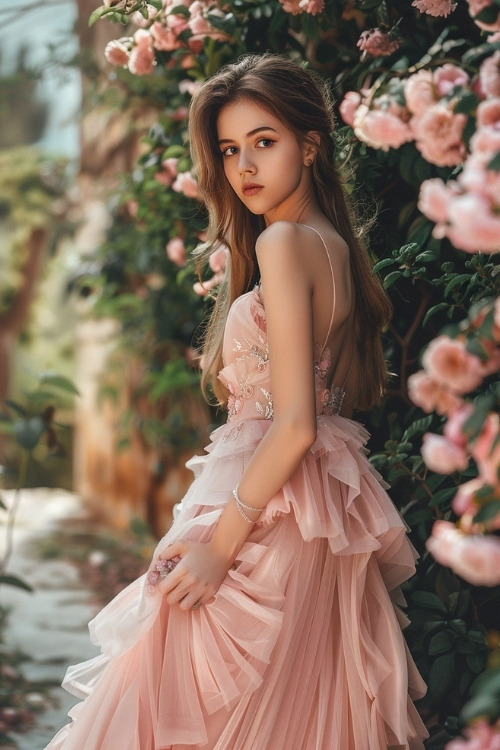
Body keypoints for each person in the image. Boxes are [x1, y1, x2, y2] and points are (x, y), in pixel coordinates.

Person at [45, 54, 429, 750]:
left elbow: (295, 424)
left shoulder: (284, 244)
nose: (244, 166)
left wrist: (220, 546)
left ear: (309, 146)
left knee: (173, 697)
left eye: (264, 141)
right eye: (229, 149)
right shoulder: (333, 247)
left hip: (272, 510)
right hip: (314, 514)